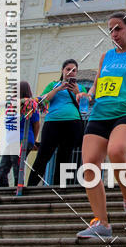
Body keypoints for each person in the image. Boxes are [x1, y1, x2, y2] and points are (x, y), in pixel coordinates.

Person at [76, 10, 126, 238]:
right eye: (110, 30)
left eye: (118, 28)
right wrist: (89, 95)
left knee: (117, 150)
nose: (114, 33)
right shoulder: (106, 57)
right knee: (89, 165)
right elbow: (98, 83)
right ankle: (102, 223)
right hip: (101, 113)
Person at [27, 59, 84, 188]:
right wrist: (58, 89)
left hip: (72, 123)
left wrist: (76, 92)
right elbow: (42, 102)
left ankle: (60, 187)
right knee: (44, 154)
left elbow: (85, 105)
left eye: (74, 70)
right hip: (53, 122)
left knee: (65, 155)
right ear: (62, 71)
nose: (71, 72)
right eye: (68, 69)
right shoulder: (53, 84)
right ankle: (31, 186)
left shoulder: (80, 87)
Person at [0, 81, 40, 188]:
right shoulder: (11, 106)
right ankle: (5, 193)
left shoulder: (30, 106)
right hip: (11, 141)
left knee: (17, 169)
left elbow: (36, 125)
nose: (12, 93)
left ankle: (18, 192)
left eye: (15, 91)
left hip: (23, 139)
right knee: (1, 172)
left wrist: (33, 140)